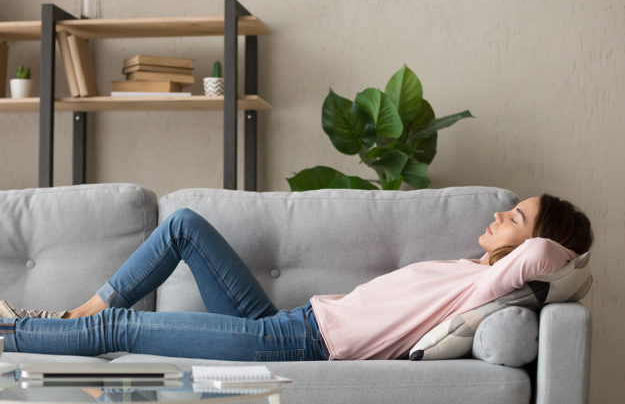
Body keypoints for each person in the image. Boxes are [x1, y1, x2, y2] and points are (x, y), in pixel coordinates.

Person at [0, 194, 593, 361]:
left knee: (126, 327)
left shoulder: (492, 286)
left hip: (299, 343)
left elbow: (549, 255)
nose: (497, 215)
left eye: (513, 216)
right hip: (285, 321)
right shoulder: (473, 271)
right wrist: (521, 226)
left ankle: (12, 333)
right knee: (182, 224)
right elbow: (536, 245)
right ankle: (78, 314)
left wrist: (553, 237)